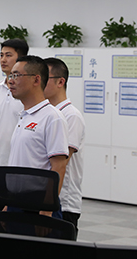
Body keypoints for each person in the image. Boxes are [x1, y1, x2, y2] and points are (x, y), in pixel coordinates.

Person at [6, 55, 69, 218]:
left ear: (36, 79)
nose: (10, 81)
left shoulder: (52, 117)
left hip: (38, 204)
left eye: (16, 75)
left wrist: (47, 207)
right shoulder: (24, 115)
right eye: (10, 75)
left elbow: (59, 166)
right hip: (16, 201)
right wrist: (8, 202)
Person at [44, 57, 85, 234]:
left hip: (63, 202)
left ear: (61, 82)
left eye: (45, 78)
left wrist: (48, 202)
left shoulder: (71, 116)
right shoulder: (47, 113)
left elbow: (61, 162)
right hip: (44, 196)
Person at [0, 39, 29, 170]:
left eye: (8, 55)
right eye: (1, 55)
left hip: (21, 162)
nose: (3, 60)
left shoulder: (29, 90)